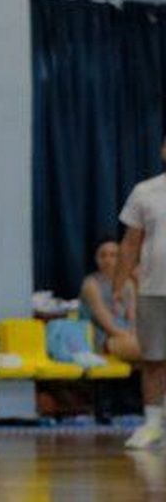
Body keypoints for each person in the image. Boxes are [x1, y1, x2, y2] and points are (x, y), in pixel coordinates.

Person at [118, 135, 166, 448]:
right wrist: (119, 284)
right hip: (153, 288)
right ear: (162, 150)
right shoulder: (145, 191)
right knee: (153, 359)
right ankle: (152, 425)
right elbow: (130, 243)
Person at [83, 235, 141, 363]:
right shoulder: (91, 284)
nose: (108, 260)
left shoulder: (128, 283)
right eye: (103, 255)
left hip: (127, 335)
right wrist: (130, 336)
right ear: (96, 259)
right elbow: (108, 324)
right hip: (103, 337)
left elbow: (133, 318)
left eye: (113, 255)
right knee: (149, 349)